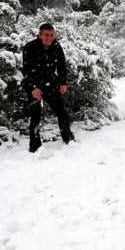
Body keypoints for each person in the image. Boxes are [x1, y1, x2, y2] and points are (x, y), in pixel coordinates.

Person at [21, 22, 74, 152]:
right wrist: (33, 87)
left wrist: (63, 82)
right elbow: (26, 70)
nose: (49, 38)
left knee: (62, 113)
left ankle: (68, 139)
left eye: (51, 35)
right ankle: (35, 147)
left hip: (50, 84)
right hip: (33, 86)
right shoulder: (30, 47)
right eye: (46, 35)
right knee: (36, 116)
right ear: (39, 35)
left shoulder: (56, 46)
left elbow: (61, 66)